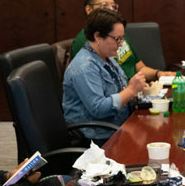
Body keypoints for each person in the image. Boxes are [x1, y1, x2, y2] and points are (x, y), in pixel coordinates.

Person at [63, 8, 148, 144]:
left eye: (122, 39)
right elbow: (99, 109)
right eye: (117, 39)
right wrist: (131, 90)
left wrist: (137, 90)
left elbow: (120, 91)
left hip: (116, 126)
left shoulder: (106, 57)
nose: (120, 44)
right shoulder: (84, 67)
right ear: (97, 36)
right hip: (95, 138)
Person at [68, 0, 172, 84]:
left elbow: (139, 68)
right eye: (105, 5)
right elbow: (101, 84)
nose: (110, 9)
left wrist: (159, 74)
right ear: (89, 10)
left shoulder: (117, 34)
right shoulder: (84, 42)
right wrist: (131, 90)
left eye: (113, 6)